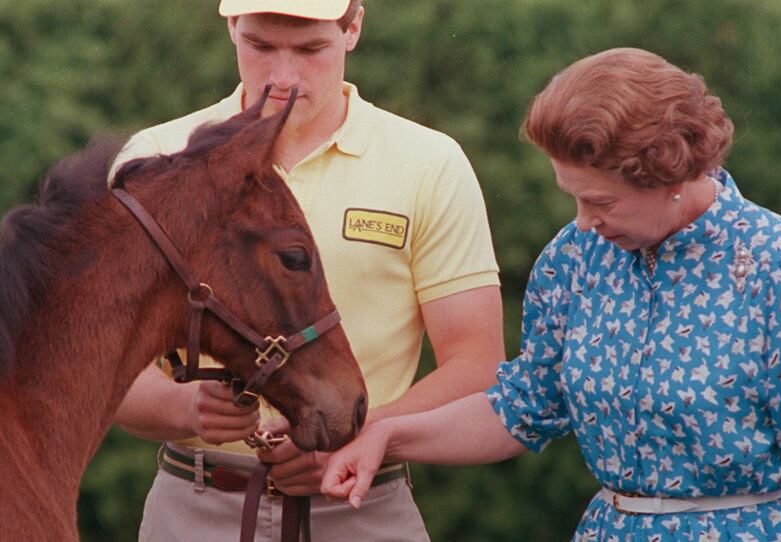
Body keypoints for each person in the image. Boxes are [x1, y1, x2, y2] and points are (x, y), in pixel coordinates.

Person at [321, 47, 781, 540]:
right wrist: (387, 434)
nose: (583, 220)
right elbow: (522, 409)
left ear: (669, 175)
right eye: (573, 196)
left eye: (600, 201)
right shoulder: (574, 256)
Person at [109, 1, 505, 540]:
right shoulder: (156, 158)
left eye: (310, 49)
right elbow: (103, 365)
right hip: (193, 510)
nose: (284, 76)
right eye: (261, 46)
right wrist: (184, 407)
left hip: (364, 505)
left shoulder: (430, 163)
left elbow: (478, 363)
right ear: (231, 27)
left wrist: (363, 437)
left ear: (354, 28)